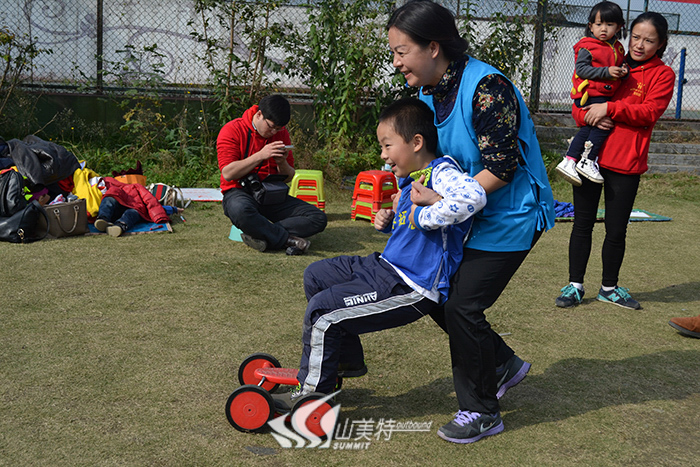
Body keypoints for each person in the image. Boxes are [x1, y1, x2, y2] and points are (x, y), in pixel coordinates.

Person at [386, 0, 555, 444]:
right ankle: (501, 363)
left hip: (510, 216)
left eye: (402, 51)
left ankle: (481, 411)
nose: (397, 61)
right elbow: (435, 160)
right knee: (441, 292)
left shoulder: (487, 88)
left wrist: (442, 205)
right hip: (465, 215)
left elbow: (502, 169)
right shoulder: (429, 92)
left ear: (433, 47)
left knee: (461, 305)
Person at [293, 98, 486, 399]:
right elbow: (411, 227)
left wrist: (426, 213)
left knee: (323, 311)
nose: (383, 156)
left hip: (409, 285)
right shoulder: (411, 181)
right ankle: (345, 360)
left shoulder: (442, 172)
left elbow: (473, 197)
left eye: (387, 146)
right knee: (316, 275)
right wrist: (391, 219)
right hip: (383, 265)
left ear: (417, 142)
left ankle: (311, 396)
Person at [555, 12, 675, 310]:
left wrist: (610, 108)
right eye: (636, 37)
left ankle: (609, 286)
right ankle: (574, 285)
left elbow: (649, 112)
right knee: (582, 224)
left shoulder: (663, 74)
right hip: (588, 159)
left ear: (661, 44)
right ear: (627, 34)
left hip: (626, 163)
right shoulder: (609, 61)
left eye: (649, 40)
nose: (640, 45)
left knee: (616, 228)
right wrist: (588, 114)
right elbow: (581, 102)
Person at [216, 95, 327, 255]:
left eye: (279, 128)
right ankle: (286, 239)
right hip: (239, 192)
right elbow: (228, 173)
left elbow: (289, 177)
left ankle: (259, 233)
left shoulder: (282, 134)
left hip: (271, 193)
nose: (274, 132)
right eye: (271, 126)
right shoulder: (232, 130)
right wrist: (260, 155)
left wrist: (282, 163)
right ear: (259, 114)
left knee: (318, 218)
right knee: (240, 210)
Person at [556, 1, 628, 186]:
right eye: (598, 24)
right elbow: (581, 69)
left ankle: (571, 161)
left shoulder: (619, 48)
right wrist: (607, 72)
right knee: (602, 126)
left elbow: (616, 67)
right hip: (588, 94)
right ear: (590, 26)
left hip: (603, 95)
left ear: (619, 26)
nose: (603, 29)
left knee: (590, 128)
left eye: (609, 24)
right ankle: (587, 160)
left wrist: (622, 71)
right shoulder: (587, 46)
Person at [93, 177, 180, 237]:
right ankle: (120, 225)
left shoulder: (112, 184)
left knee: (108, 200)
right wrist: (174, 209)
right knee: (131, 213)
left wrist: (174, 209)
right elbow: (153, 205)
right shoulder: (139, 187)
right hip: (134, 208)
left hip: (116, 210)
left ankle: (103, 218)